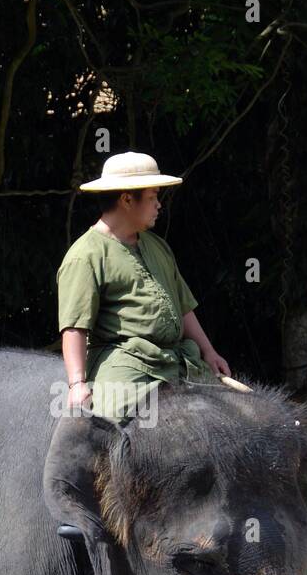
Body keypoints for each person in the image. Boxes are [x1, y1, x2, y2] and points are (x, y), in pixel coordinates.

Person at [57, 152, 231, 421]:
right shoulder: (85, 255)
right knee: (113, 436)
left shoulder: (157, 245)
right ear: (127, 199)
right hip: (127, 366)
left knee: (229, 417)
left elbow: (183, 307)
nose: (159, 205)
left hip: (176, 360)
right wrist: (77, 384)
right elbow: (74, 326)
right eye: (152, 197)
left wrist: (209, 351)